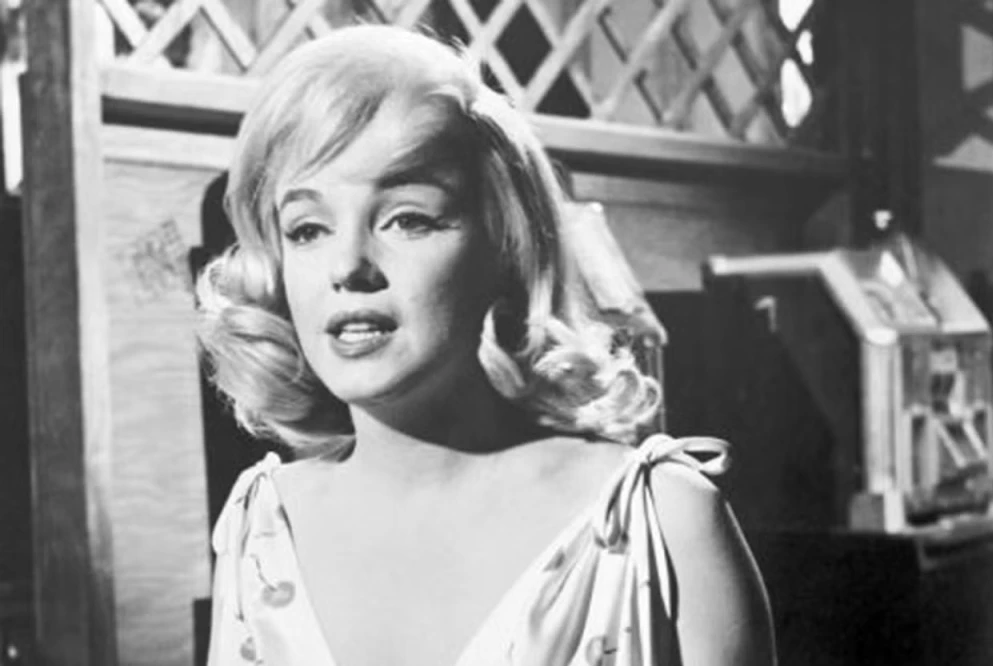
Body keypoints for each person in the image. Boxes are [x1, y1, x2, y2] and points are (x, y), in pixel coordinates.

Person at [197, 24, 776, 666]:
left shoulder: (658, 520)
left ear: (505, 245)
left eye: (407, 218)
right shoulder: (261, 529)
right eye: (307, 229)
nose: (349, 266)